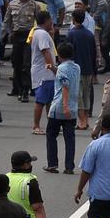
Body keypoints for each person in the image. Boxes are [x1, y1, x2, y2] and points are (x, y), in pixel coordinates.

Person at [43, 42, 79, 173]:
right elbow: (64, 75)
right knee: (70, 138)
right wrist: (53, 69)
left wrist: (65, 106)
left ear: (59, 55)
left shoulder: (62, 68)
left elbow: (65, 85)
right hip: (73, 108)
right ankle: (69, 166)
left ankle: (52, 163)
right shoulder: (76, 67)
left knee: (51, 135)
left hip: (59, 107)